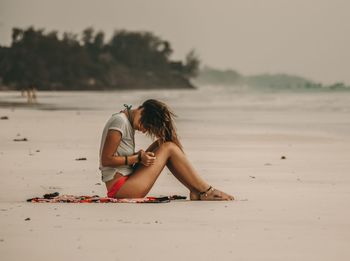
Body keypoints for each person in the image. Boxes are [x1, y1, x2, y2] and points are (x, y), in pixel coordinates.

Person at [99, 99, 234, 201]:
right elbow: (106, 160)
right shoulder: (120, 122)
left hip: (127, 180)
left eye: (147, 127)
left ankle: (195, 190)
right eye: (145, 124)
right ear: (141, 110)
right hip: (121, 189)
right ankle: (206, 191)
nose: (144, 129)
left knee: (163, 143)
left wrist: (139, 156)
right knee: (169, 148)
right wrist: (138, 158)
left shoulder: (125, 121)